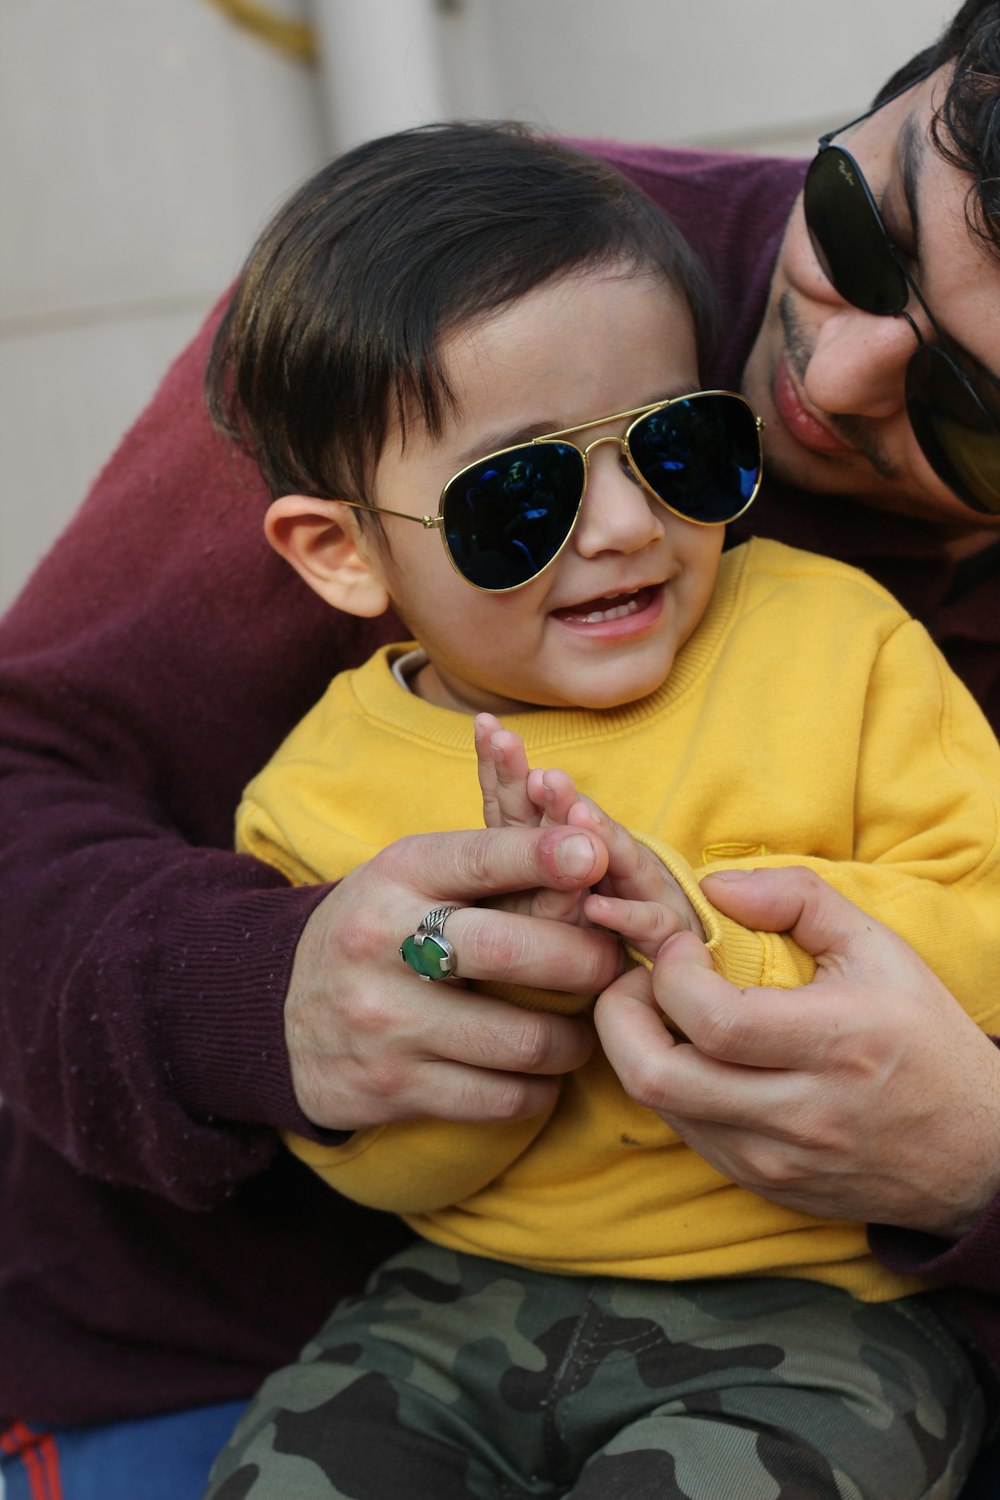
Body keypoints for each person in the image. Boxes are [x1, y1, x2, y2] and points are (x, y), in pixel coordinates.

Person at [1, 2, 999, 1496]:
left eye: (977, 405)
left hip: (841, 1335)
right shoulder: (446, 292)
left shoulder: (835, 641)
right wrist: (276, 1011)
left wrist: (977, 1155)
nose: (838, 372)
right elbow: (32, 767)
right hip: (270, 1328)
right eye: (862, 230)